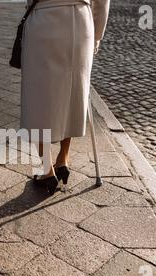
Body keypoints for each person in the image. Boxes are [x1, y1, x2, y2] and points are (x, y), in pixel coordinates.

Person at [20, 0, 110, 194]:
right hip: (81, 20)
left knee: (38, 95)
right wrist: (96, 36)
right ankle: (63, 158)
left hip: (44, 18)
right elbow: (102, 2)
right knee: (73, 91)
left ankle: (46, 169)